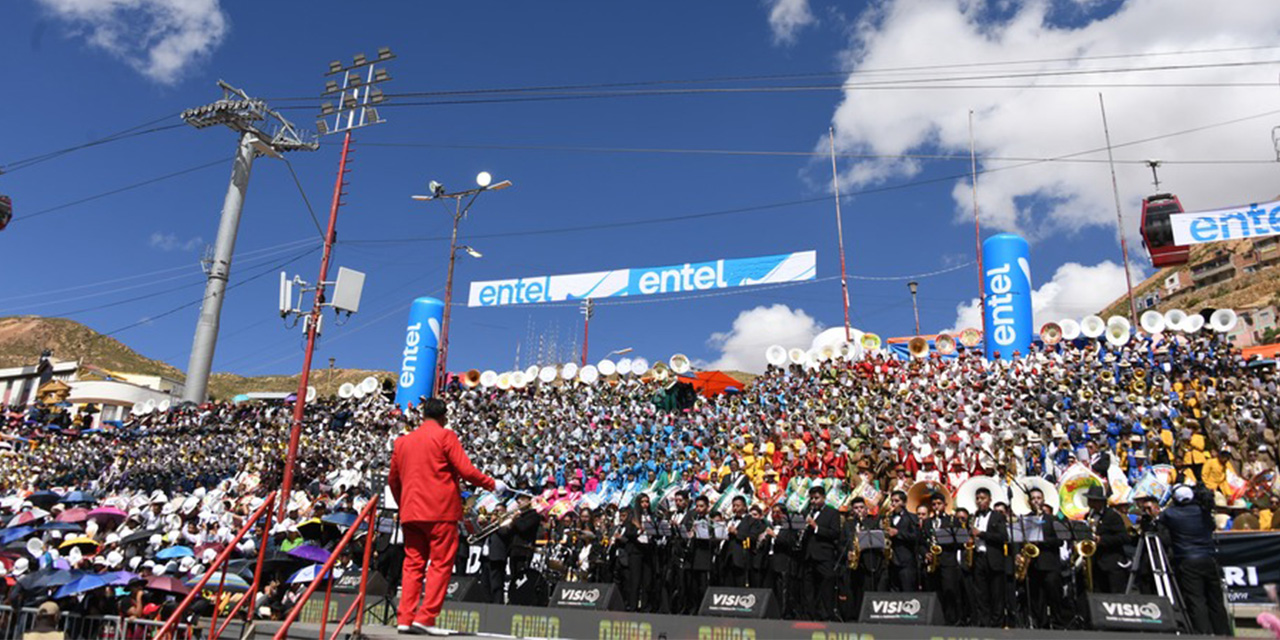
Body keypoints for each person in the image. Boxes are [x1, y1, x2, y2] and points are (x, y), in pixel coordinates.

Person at [388, 398, 501, 636]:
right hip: (440, 511)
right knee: (440, 564)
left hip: (412, 511)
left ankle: (405, 618)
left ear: (422, 415)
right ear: (444, 416)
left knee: (412, 565)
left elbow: (393, 481)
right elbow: (466, 470)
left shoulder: (402, 442)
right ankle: (425, 617)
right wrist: (492, 484)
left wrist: (404, 504)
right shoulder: (446, 436)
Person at [1159, 485, 1231, 636]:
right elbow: (1211, 526)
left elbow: (1160, 524)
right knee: (1215, 600)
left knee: (1196, 599)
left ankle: (1202, 633)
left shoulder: (1171, 513)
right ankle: (1223, 633)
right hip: (1208, 558)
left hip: (1188, 560)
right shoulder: (1202, 511)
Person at [800, 485, 840, 621]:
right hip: (809, 555)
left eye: (816, 498)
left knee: (826, 586)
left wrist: (816, 527)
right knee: (808, 588)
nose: (813, 501)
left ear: (824, 498)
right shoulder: (807, 512)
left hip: (824, 556)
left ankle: (827, 614)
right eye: (811, 498)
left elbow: (835, 533)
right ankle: (810, 614)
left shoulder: (832, 513)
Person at [970, 486, 1008, 627]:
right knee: (981, 594)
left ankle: (997, 624)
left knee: (996, 594)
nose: (980, 502)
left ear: (990, 500)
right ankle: (984, 624)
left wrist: (981, 534)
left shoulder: (997, 516)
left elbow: (1003, 536)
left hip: (993, 559)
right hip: (978, 558)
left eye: (983, 498)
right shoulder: (974, 516)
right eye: (978, 499)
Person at [1084, 486, 1130, 594]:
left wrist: (1102, 540)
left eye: (1093, 501)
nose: (1090, 504)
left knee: (1115, 595)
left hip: (1111, 563)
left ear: (1101, 502)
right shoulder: (1088, 516)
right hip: (1096, 563)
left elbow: (1124, 537)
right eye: (1089, 500)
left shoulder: (1112, 516)